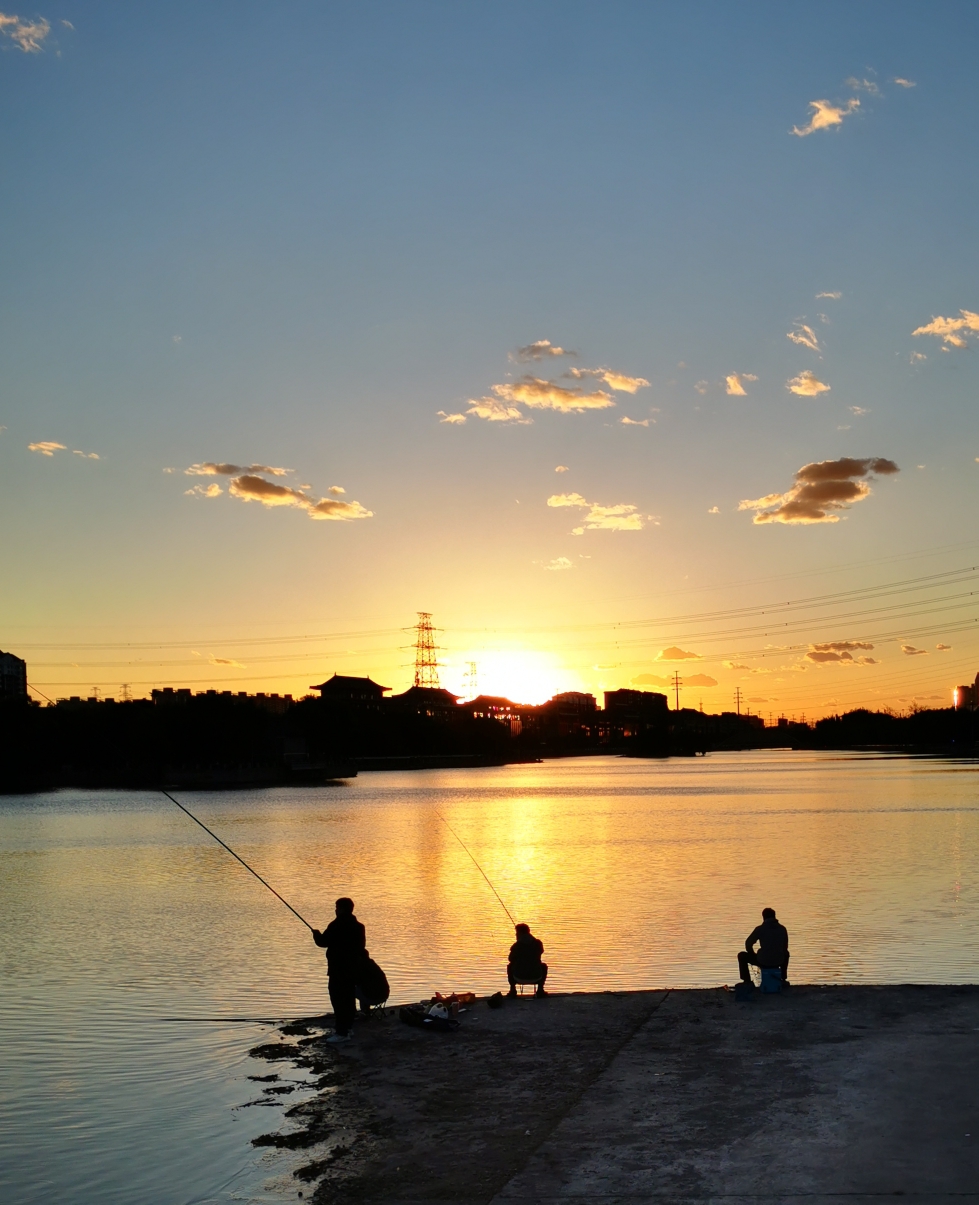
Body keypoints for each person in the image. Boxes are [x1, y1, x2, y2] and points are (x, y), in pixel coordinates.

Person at [312, 897, 366, 1043]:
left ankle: (342, 1033)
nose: (335, 910)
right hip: (353, 969)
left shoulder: (336, 925)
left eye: (337, 907)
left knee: (338, 1001)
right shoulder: (359, 927)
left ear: (341, 909)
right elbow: (361, 947)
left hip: (338, 969)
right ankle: (348, 1028)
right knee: (349, 1000)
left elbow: (323, 942)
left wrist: (316, 934)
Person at [738, 907, 790, 987]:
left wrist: (752, 954)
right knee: (786, 953)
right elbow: (785, 947)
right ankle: (783, 978)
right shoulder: (782, 929)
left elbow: (748, 943)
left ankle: (747, 981)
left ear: (763, 917)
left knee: (741, 955)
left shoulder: (760, 929)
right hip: (779, 961)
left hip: (763, 961)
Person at [507, 923, 548, 997]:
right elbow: (541, 951)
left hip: (519, 977)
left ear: (519, 933)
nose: (516, 935)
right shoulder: (538, 943)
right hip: (536, 976)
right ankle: (540, 990)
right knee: (544, 966)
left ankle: (512, 990)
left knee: (510, 966)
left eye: (517, 933)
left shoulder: (516, 946)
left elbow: (510, 959)